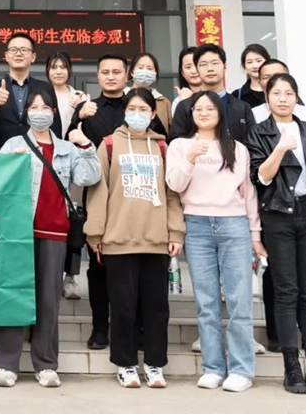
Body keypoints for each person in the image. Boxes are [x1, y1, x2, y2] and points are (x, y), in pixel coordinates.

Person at [0, 89, 101, 389]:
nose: (39, 112)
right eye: (33, 107)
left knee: (49, 301)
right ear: (26, 112)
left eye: (45, 107)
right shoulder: (13, 144)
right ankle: (6, 364)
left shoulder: (67, 148)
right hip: (18, 233)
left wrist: (86, 145)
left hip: (55, 232)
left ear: (54, 113)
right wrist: (9, 165)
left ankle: (46, 365)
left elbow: (89, 177)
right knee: (12, 295)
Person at [85, 88, 185, 389]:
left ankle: (154, 364)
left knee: (156, 308)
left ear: (153, 114)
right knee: (123, 307)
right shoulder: (109, 144)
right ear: (124, 112)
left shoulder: (162, 147)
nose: (137, 114)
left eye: (144, 109)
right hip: (118, 241)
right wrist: (95, 233)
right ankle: (125, 364)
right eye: (132, 109)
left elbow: (171, 195)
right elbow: (98, 192)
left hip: (156, 240)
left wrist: (175, 231)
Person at [245, 74, 306, 395]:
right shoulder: (259, 132)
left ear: (296, 97)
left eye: (289, 93)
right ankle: (292, 368)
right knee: (286, 291)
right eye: (277, 93)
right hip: (277, 216)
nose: (283, 98)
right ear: (267, 98)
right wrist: (281, 148)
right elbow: (261, 177)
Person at [166, 91, 263, 392]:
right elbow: (174, 185)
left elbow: (248, 193)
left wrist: (255, 234)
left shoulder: (237, 148)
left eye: (210, 108)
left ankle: (241, 369)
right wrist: (191, 158)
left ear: (220, 112)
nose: (204, 113)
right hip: (196, 225)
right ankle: (213, 367)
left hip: (234, 225)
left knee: (239, 300)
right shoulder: (180, 145)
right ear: (191, 113)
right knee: (206, 302)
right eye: (198, 108)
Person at [68, 53, 163, 350]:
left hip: (137, 201)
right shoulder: (88, 109)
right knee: (98, 268)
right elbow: (69, 143)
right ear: (97, 76)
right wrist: (78, 117)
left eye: (116, 72)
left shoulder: (138, 106)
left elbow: (160, 141)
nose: (110, 77)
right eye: (105, 72)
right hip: (98, 199)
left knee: (137, 271)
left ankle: (137, 328)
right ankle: (100, 327)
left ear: (127, 75)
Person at [46, 52, 88, 300]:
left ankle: (70, 277)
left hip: (71, 163)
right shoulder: (41, 95)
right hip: (47, 162)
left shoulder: (80, 97)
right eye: (54, 67)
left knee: (74, 219)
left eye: (63, 67)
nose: (59, 71)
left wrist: (78, 111)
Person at [0, 33, 61, 154]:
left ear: (33, 57)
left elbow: (55, 125)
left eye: (24, 50)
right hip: (3, 155)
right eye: (13, 50)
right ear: (6, 56)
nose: (18, 54)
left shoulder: (45, 88)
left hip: (37, 154)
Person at [169, 45, 255, 144]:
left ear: (225, 67)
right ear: (197, 69)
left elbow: (253, 144)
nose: (210, 68)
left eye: (215, 63)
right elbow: (176, 143)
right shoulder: (184, 106)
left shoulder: (243, 108)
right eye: (203, 64)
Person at [127, 52, 173, 135]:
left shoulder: (164, 102)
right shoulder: (122, 98)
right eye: (140, 67)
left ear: (155, 74)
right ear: (132, 72)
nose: (145, 71)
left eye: (150, 68)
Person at [232, 44, 271, 108]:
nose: (255, 66)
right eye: (249, 62)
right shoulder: (237, 95)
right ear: (244, 66)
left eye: (258, 61)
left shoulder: (279, 91)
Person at [171, 47, 202, 116]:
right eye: (188, 67)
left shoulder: (214, 96)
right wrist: (184, 101)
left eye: (197, 65)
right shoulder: (178, 101)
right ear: (182, 72)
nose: (194, 71)